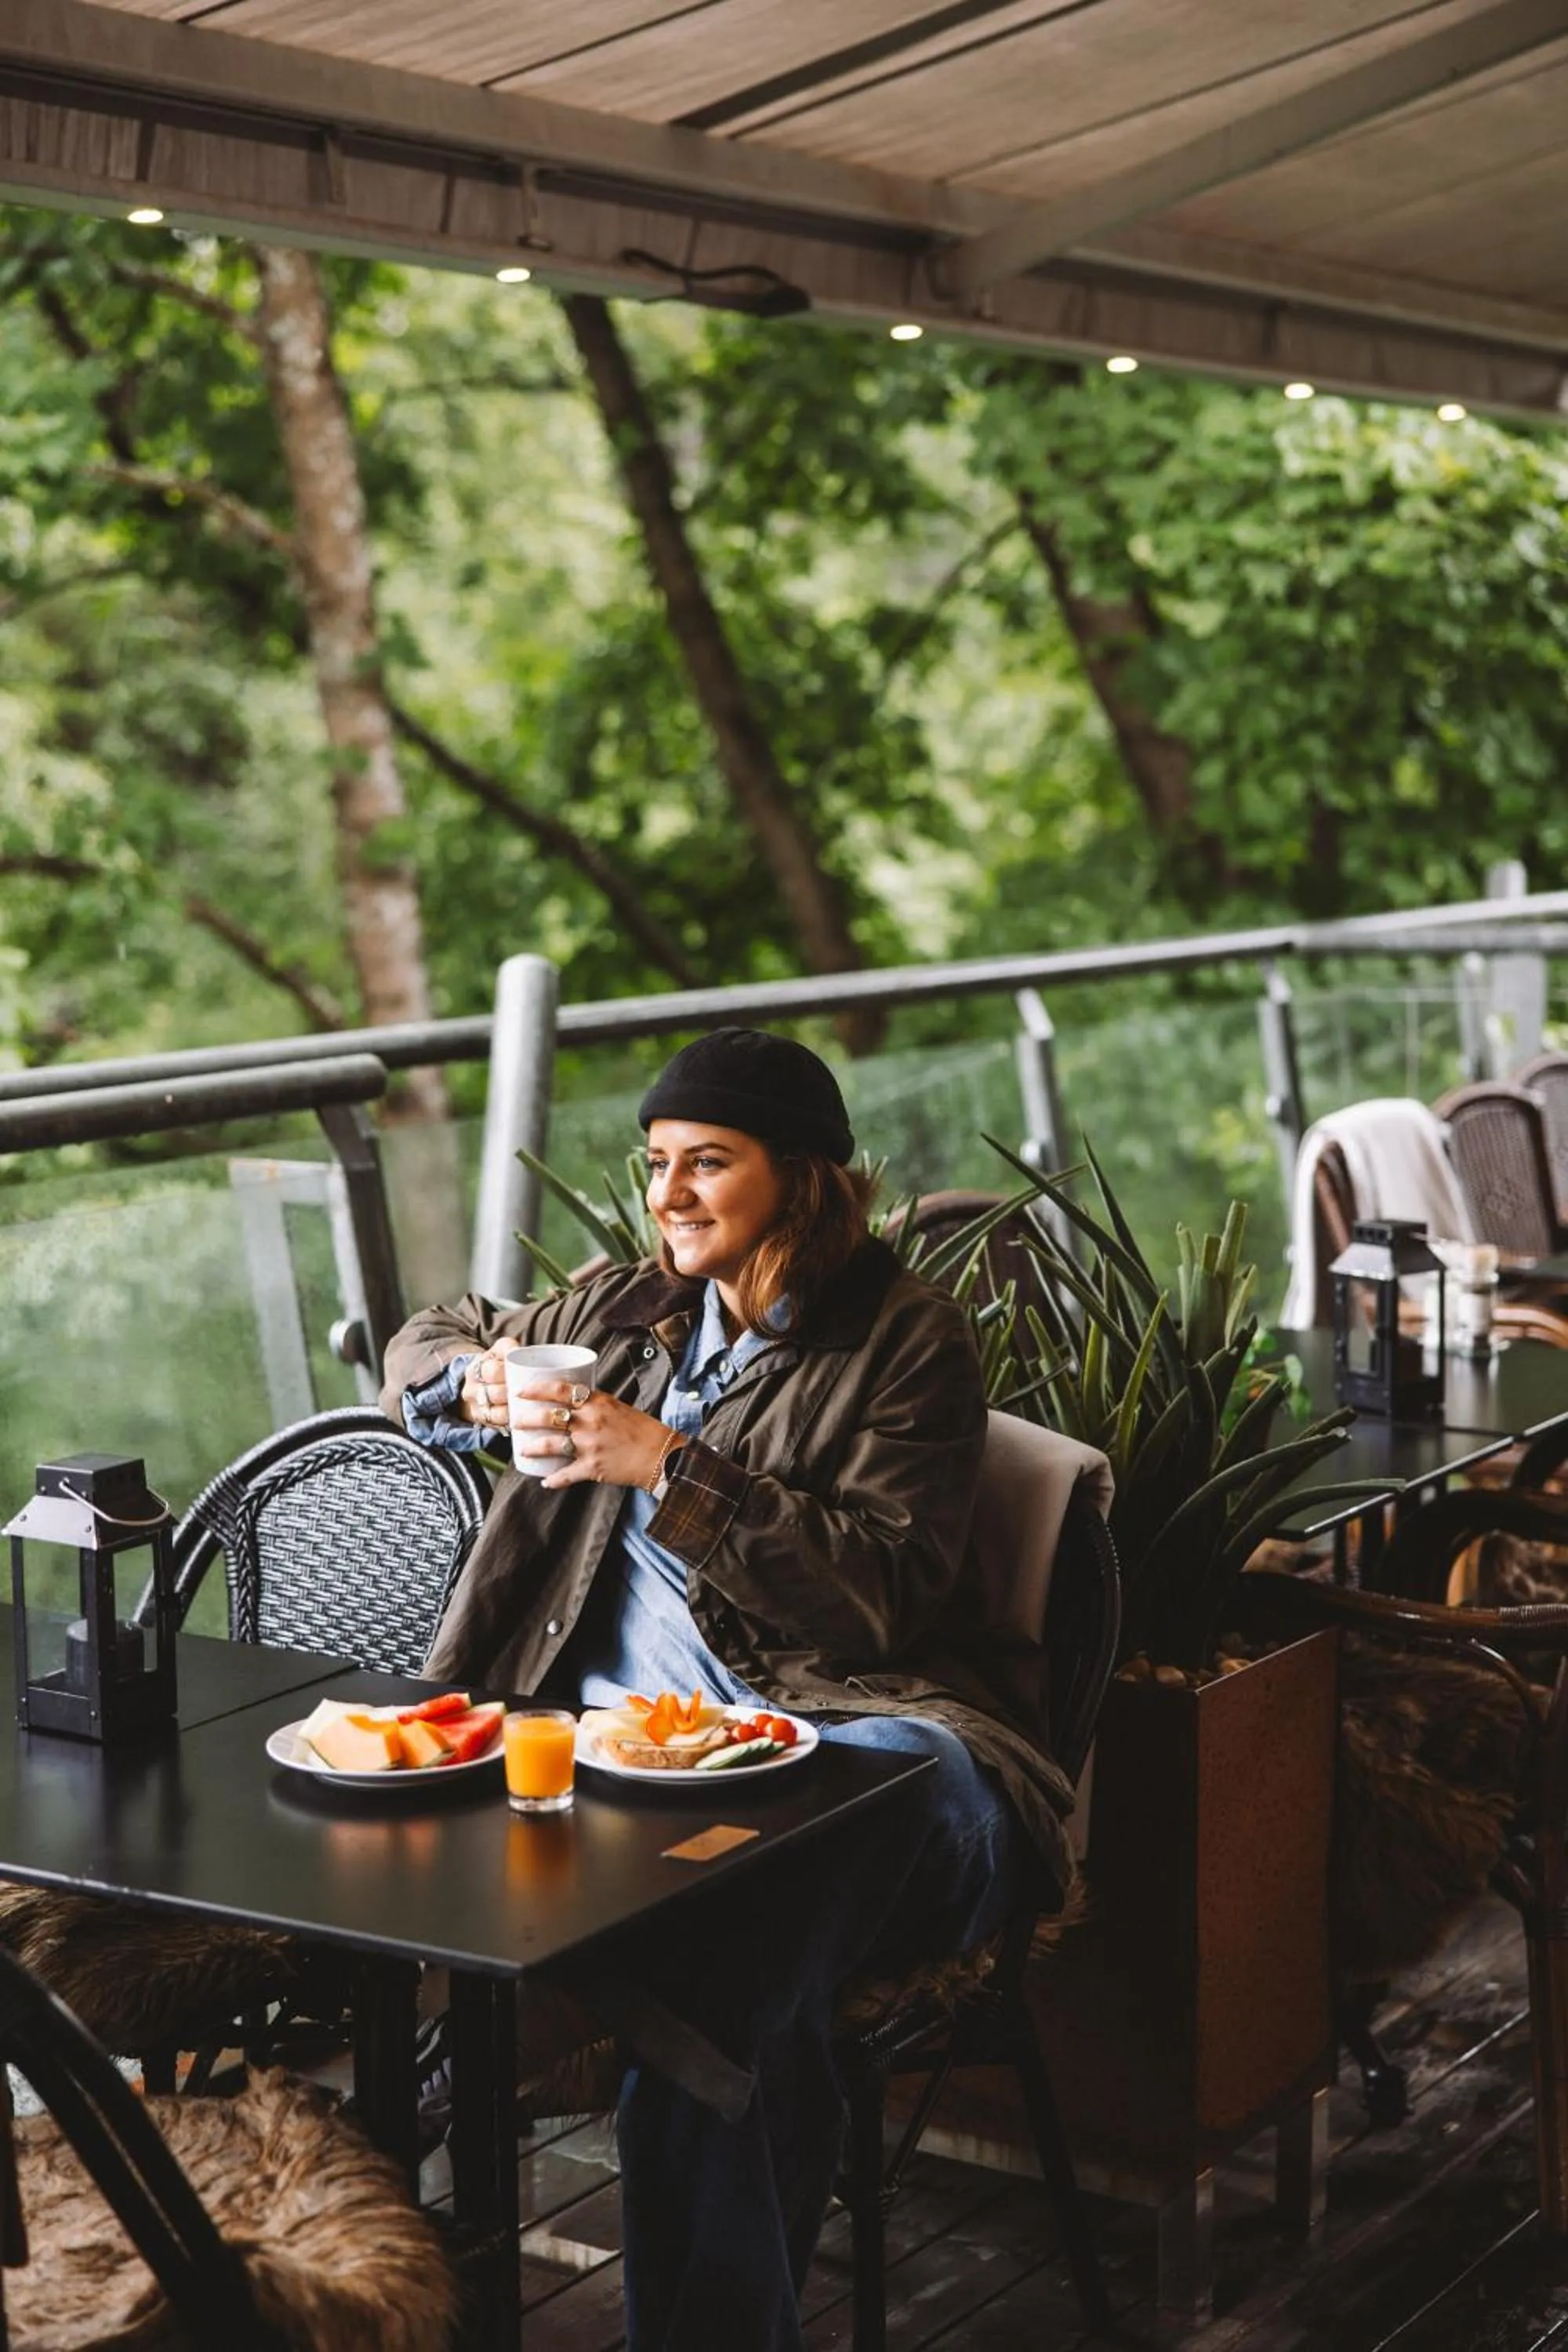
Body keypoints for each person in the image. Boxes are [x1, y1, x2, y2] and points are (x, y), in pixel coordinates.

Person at [381, 1027, 1076, 2352]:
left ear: (804, 1180)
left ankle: (529, 2039)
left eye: (709, 1163)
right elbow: (429, 1335)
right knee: (732, 1967)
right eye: (656, 1164)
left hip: (869, 1745)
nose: (669, 1196)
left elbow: (879, 1594)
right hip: (633, 1771)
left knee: (753, 1910)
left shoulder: (906, 1339)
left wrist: (671, 1469)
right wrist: (466, 1386)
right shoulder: (622, 1313)